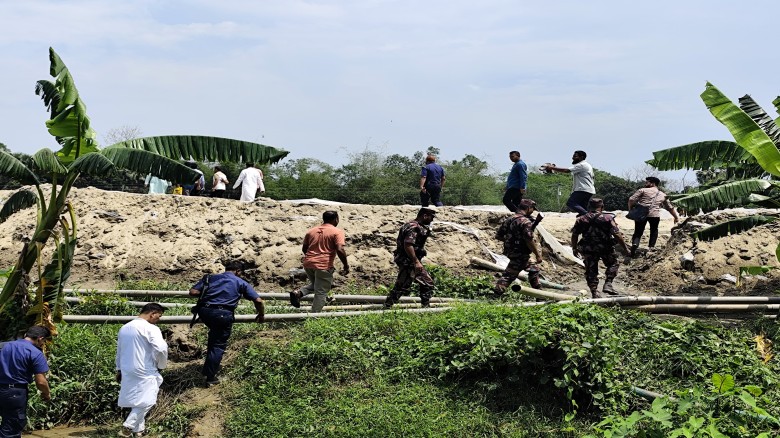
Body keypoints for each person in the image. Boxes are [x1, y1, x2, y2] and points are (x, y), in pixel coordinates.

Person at [189, 261, 265, 386]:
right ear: (238, 271)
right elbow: (258, 300)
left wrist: (208, 294)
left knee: (214, 336)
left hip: (205, 312)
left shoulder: (210, 278)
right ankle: (210, 377)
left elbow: (193, 292)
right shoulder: (240, 282)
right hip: (223, 314)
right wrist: (261, 314)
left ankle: (208, 368)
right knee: (217, 345)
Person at [116, 303, 168, 438]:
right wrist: (161, 365)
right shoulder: (151, 328)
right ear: (153, 313)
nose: (159, 319)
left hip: (128, 368)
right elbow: (161, 348)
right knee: (148, 399)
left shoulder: (125, 328)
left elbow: (119, 351)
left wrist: (119, 369)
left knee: (139, 399)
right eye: (159, 316)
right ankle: (128, 425)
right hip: (145, 368)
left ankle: (139, 431)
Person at [289, 211, 349, 312]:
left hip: (308, 264)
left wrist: (312, 258)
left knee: (316, 285)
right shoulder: (337, 232)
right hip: (323, 265)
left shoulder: (311, 231)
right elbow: (340, 249)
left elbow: (304, 249)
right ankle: (314, 316)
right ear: (336, 219)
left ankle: (298, 293)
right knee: (321, 292)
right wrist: (346, 265)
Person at [570, 198, 630, 298]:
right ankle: (608, 284)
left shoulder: (581, 219)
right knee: (613, 263)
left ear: (589, 207)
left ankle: (594, 292)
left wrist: (574, 248)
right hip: (605, 247)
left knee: (591, 270)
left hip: (588, 248)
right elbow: (617, 234)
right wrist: (625, 248)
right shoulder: (607, 218)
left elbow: (575, 235)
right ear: (602, 207)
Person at [0, 325, 51, 438]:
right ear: (40, 339)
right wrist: (46, 394)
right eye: (44, 341)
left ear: (25, 335)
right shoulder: (35, 353)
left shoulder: (4, 346)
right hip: (14, 393)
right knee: (11, 430)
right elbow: (41, 382)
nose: (43, 344)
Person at [384, 207, 437, 308]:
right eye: (431, 217)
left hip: (407, 260)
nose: (432, 220)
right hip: (408, 261)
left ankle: (388, 305)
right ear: (425, 216)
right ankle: (425, 308)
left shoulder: (411, 225)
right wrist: (416, 261)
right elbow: (408, 244)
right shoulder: (414, 227)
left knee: (407, 285)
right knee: (424, 283)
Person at [494, 199, 543, 296]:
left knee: (533, 269)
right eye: (532, 209)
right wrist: (538, 255)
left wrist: (510, 240)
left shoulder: (509, 219)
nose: (533, 211)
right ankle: (496, 294)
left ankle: (539, 294)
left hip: (511, 251)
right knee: (509, 275)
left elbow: (498, 236)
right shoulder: (525, 222)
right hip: (520, 252)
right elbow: (529, 240)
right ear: (528, 208)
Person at [628, 176, 680, 257]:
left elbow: (631, 199)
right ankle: (651, 248)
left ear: (652, 183)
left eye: (647, 182)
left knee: (638, 231)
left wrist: (630, 209)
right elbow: (669, 207)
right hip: (655, 215)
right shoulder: (663, 194)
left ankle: (635, 244)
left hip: (641, 214)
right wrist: (676, 217)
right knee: (654, 231)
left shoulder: (642, 190)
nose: (645, 184)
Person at [542, 150, 595, 215]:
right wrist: (554, 169)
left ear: (581, 157)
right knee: (582, 208)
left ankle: (589, 216)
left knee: (571, 203)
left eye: (575, 156)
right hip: (588, 190)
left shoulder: (582, 165)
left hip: (582, 189)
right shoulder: (586, 165)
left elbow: (566, 170)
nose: (572, 158)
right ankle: (587, 220)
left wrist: (551, 167)